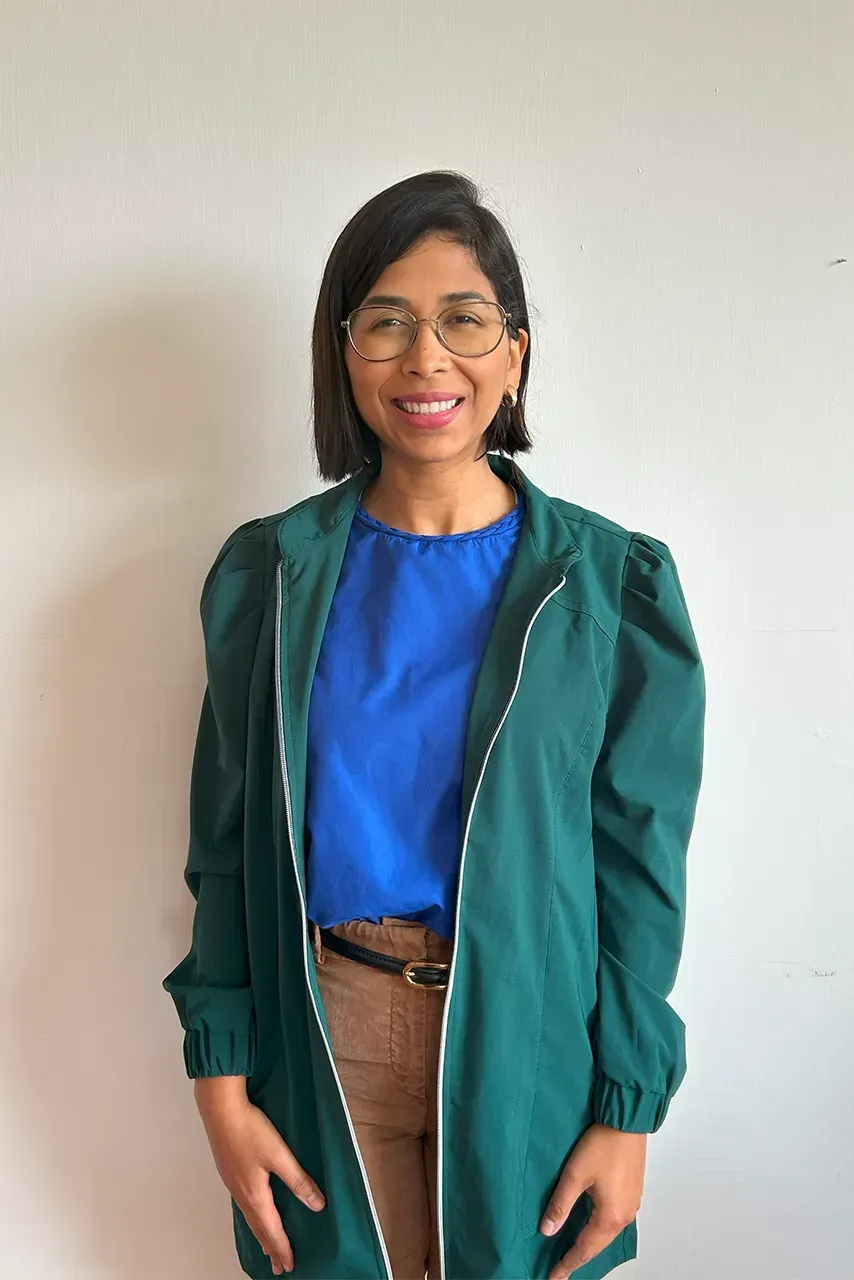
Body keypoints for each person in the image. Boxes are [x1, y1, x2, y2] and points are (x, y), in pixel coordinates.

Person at [162, 170, 705, 1280]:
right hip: (326, 1029)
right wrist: (219, 1082)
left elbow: (640, 864)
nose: (425, 359)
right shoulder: (270, 575)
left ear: (514, 354)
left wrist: (627, 1109)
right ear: (342, 353)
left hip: (531, 1032)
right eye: (386, 323)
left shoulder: (611, 586)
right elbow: (224, 844)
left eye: (463, 320)